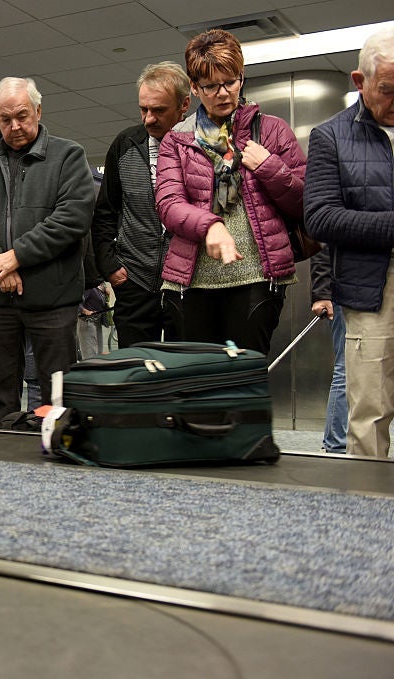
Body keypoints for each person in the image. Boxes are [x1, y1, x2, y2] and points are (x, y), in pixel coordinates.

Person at [0, 77, 95, 427]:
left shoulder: (69, 155)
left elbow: (72, 217)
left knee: (56, 392)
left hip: (53, 298)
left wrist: (17, 256)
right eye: (5, 119)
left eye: (22, 116)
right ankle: (3, 461)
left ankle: (57, 456)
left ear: (38, 111)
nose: (14, 126)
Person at [156, 29, 305, 355]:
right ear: (194, 88)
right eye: (211, 86)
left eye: (231, 82)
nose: (223, 93)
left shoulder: (272, 130)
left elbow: (304, 203)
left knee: (244, 386)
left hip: (256, 280)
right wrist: (210, 224)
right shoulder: (177, 140)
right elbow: (168, 203)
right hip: (190, 284)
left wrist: (268, 167)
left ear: (242, 77)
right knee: (198, 391)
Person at [304, 26, 394, 458]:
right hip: (370, 290)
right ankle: (366, 509)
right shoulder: (330, 137)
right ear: (360, 83)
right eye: (388, 90)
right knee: (370, 410)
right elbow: (319, 217)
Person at [93, 61, 190, 347]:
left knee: (182, 371)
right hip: (134, 280)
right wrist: (109, 265)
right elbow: (104, 213)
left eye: (159, 110)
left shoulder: (199, 146)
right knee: (135, 373)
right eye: (143, 109)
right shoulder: (125, 145)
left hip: (185, 284)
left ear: (184, 104)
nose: (148, 119)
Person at [309, 246, 346, 454]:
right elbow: (322, 242)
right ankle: (337, 444)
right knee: (347, 367)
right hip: (347, 288)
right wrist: (321, 291)